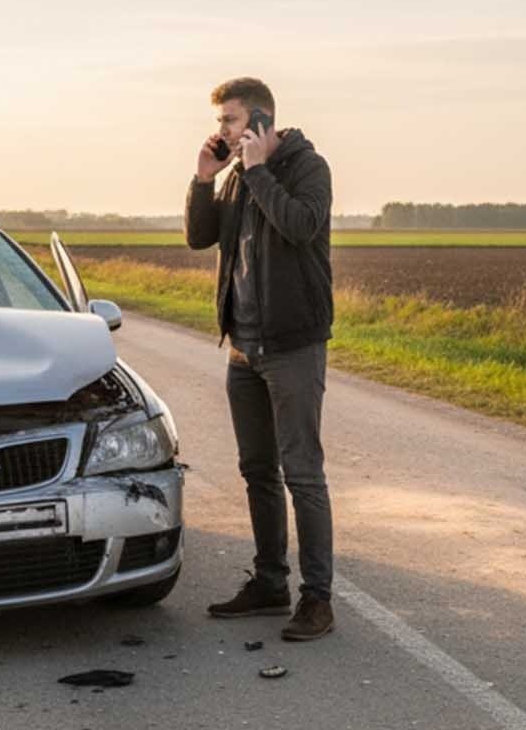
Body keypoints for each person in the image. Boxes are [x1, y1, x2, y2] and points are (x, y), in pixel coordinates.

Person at [185, 76, 336, 641]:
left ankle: (317, 599)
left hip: (293, 346)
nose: (221, 130)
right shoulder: (236, 179)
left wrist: (256, 172)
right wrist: (204, 180)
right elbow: (202, 238)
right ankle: (270, 582)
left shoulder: (305, 168)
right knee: (257, 472)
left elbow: (300, 226)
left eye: (229, 121)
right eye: (220, 122)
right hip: (244, 349)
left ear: (260, 123)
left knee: (303, 474)